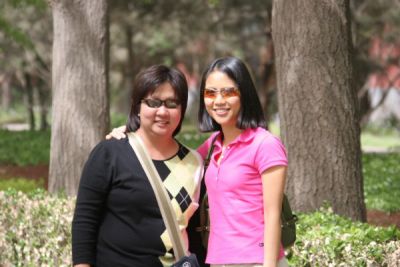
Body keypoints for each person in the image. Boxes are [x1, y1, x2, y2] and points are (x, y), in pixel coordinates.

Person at [108, 57, 289, 267]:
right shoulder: (212, 145)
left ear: (244, 94)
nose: (218, 100)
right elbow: (169, 155)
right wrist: (129, 136)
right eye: (211, 93)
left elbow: (272, 214)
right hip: (217, 261)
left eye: (228, 92)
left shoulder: (265, 144)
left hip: (257, 261)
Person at [72, 65, 203, 267]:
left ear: (182, 109)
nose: (162, 111)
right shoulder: (110, 153)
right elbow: (85, 221)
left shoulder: (194, 162)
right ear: (137, 107)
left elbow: (194, 231)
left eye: (172, 103)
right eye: (153, 102)